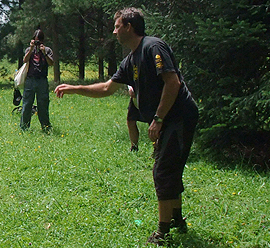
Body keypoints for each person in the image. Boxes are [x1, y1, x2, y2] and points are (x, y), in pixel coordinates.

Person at [53, 7, 199, 245]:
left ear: (129, 27)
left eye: (117, 26)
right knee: (169, 168)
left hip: (179, 116)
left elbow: (172, 83)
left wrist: (158, 119)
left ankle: (163, 232)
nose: (114, 31)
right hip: (167, 118)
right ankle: (177, 220)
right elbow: (107, 88)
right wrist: (74, 88)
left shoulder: (153, 47)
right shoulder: (130, 60)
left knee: (163, 171)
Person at [19, 28, 55, 132]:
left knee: (43, 105)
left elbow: (51, 63)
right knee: (26, 105)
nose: (37, 43)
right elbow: (25, 60)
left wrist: (44, 53)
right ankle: (24, 128)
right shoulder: (29, 50)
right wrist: (30, 49)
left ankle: (46, 127)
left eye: (39, 41)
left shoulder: (47, 50)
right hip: (30, 80)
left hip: (42, 81)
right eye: (35, 41)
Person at [127, 85, 142, 152]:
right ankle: (134, 147)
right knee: (130, 121)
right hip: (135, 99)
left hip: (149, 95)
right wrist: (130, 88)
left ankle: (157, 149)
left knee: (152, 122)